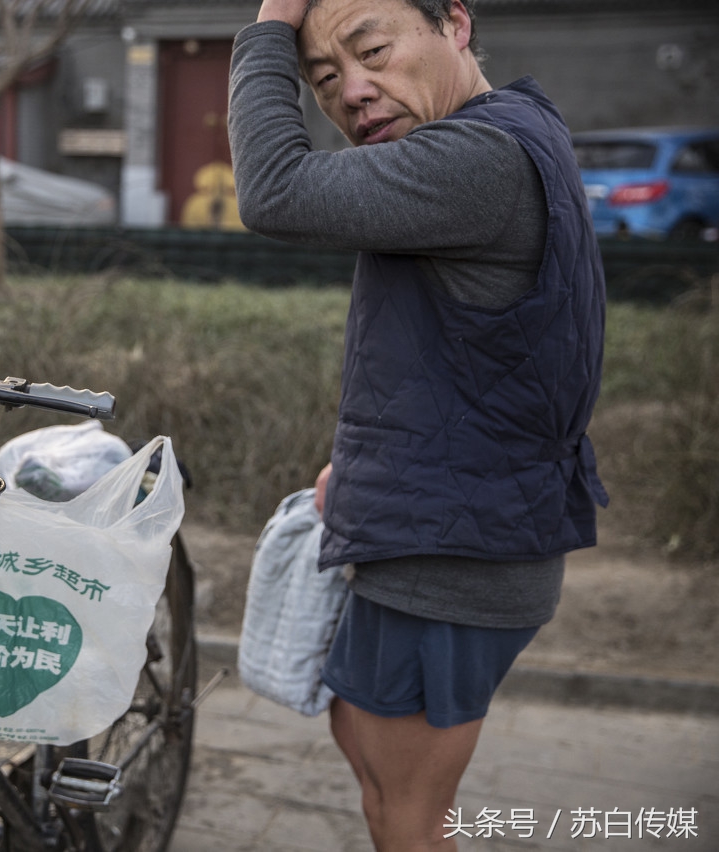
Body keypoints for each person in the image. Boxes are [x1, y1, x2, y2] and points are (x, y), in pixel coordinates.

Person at [228, 0, 608, 849]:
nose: (354, 91)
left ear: (456, 24)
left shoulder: (478, 158)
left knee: (408, 815)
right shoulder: (513, 127)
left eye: (372, 50)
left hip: (453, 557)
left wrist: (268, 26)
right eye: (322, 79)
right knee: (377, 780)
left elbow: (273, 190)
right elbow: (476, 355)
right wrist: (364, 475)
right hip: (438, 526)